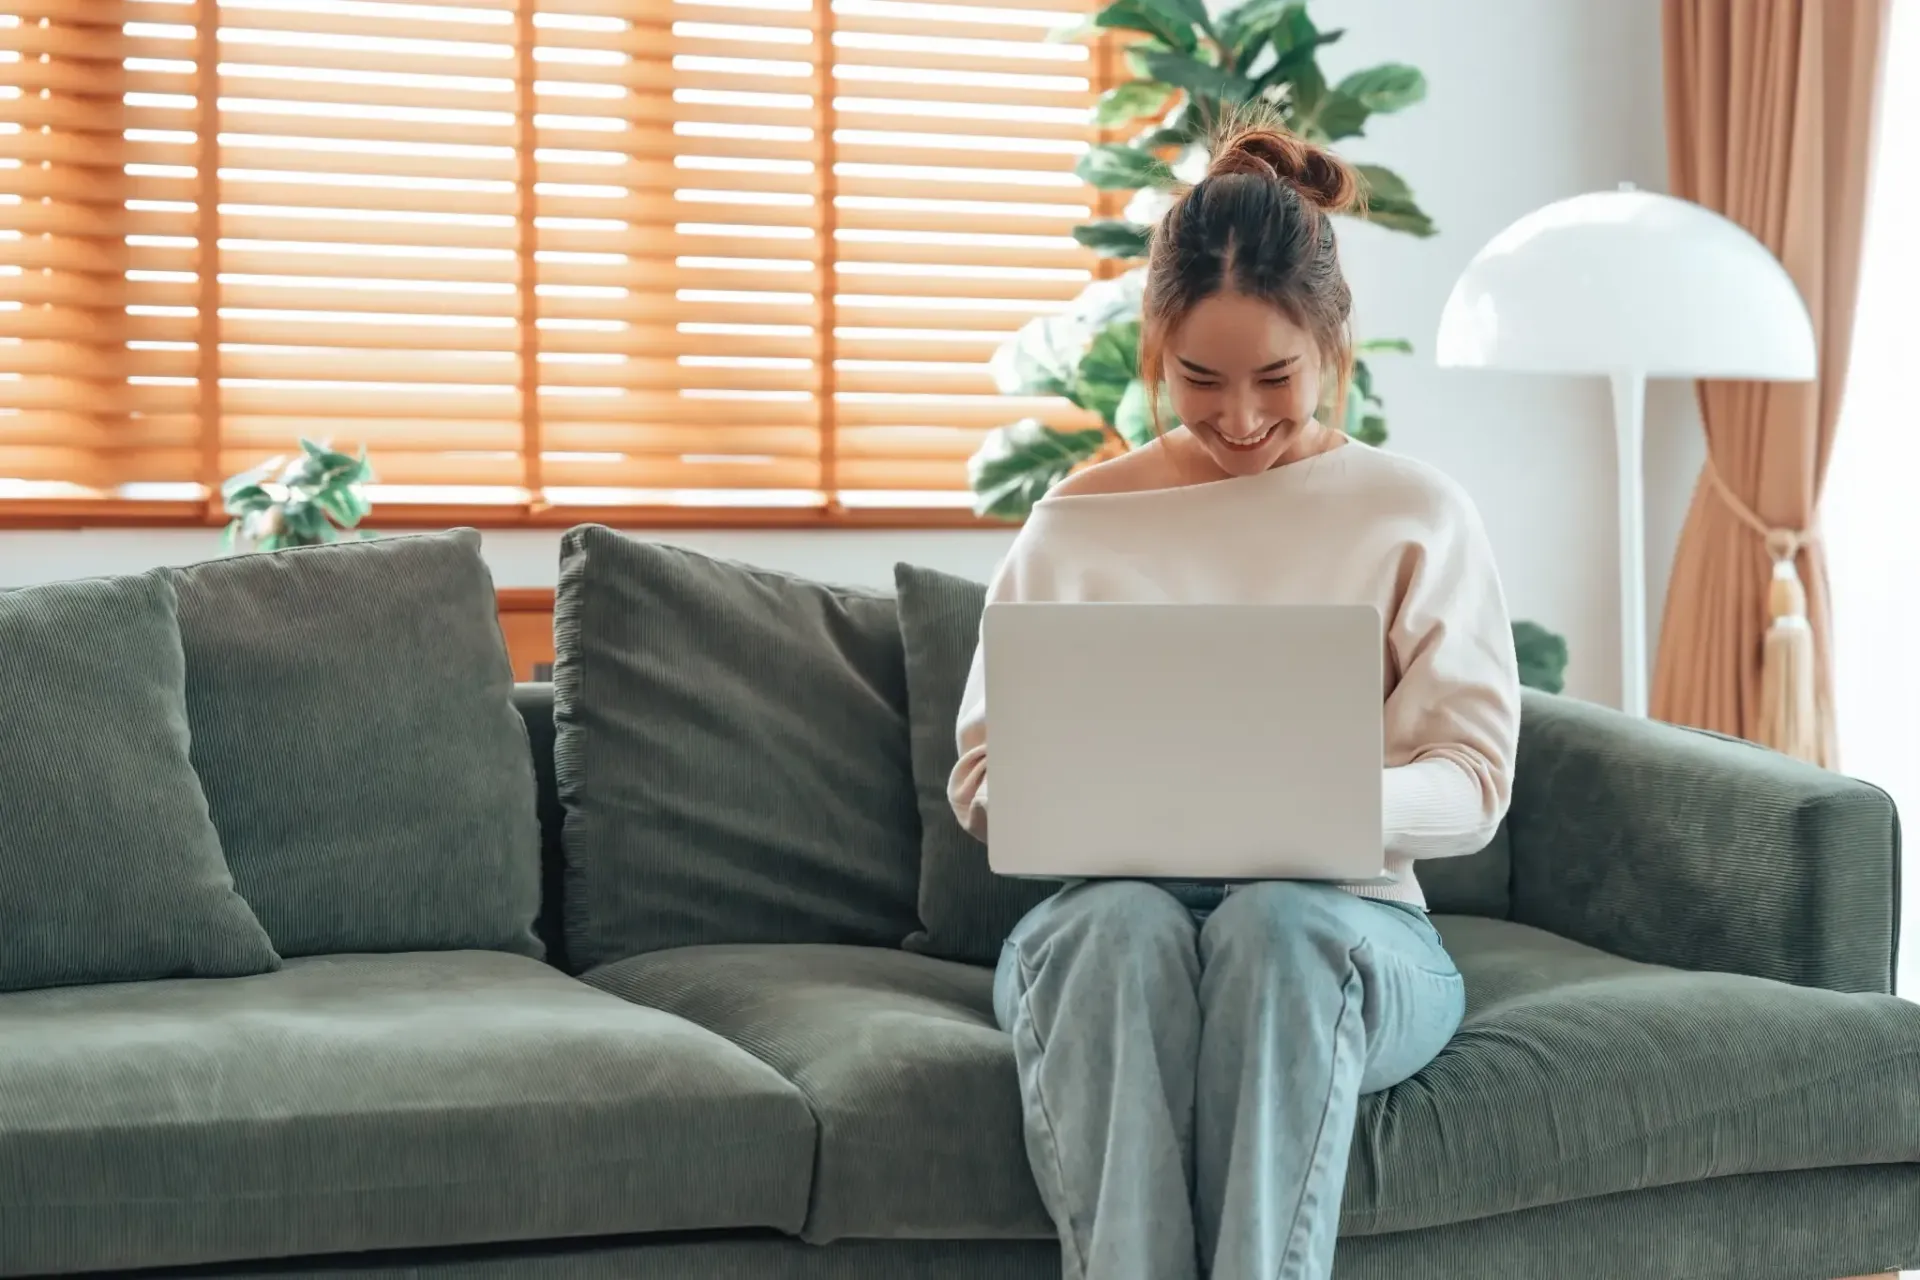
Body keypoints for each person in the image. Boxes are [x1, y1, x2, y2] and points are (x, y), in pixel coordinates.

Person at [946, 119, 1523, 1280]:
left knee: (1276, 925)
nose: (1243, 418)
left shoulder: (1413, 513)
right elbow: (983, 777)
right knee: (1116, 928)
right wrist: (1095, 805)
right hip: (1113, 925)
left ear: (1331, 346)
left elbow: (1473, 780)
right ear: (1158, 352)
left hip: (1349, 925)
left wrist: (1310, 804)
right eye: (1202, 381)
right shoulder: (1078, 522)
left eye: (1277, 379)